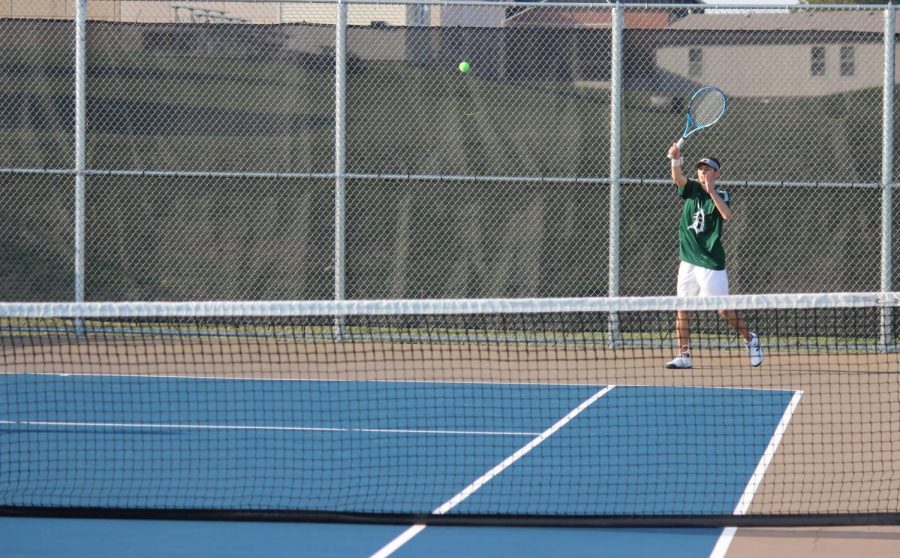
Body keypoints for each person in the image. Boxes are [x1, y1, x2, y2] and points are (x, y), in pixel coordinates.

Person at [665, 144, 763, 369]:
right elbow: (678, 178)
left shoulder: (723, 195)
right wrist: (675, 160)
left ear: (717, 173)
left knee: (722, 309)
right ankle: (684, 355)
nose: (703, 172)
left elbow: (727, 215)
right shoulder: (691, 189)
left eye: (708, 169)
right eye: (700, 169)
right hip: (688, 261)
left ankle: (750, 339)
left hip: (711, 263)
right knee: (682, 308)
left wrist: (711, 191)